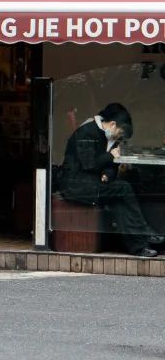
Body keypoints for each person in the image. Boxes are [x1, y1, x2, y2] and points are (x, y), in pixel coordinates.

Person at [58, 102, 162, 258]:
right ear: (112, 124)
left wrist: (108, 173)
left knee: (119, 197)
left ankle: (139, 247)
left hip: (94, 184)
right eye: (119, 133)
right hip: (77, 187)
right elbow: (89, 164)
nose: (118, 138)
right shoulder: (87, 132)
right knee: (123, 188)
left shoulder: (107, 136)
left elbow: (110, 165)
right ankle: (144, 233)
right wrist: (111, 156)